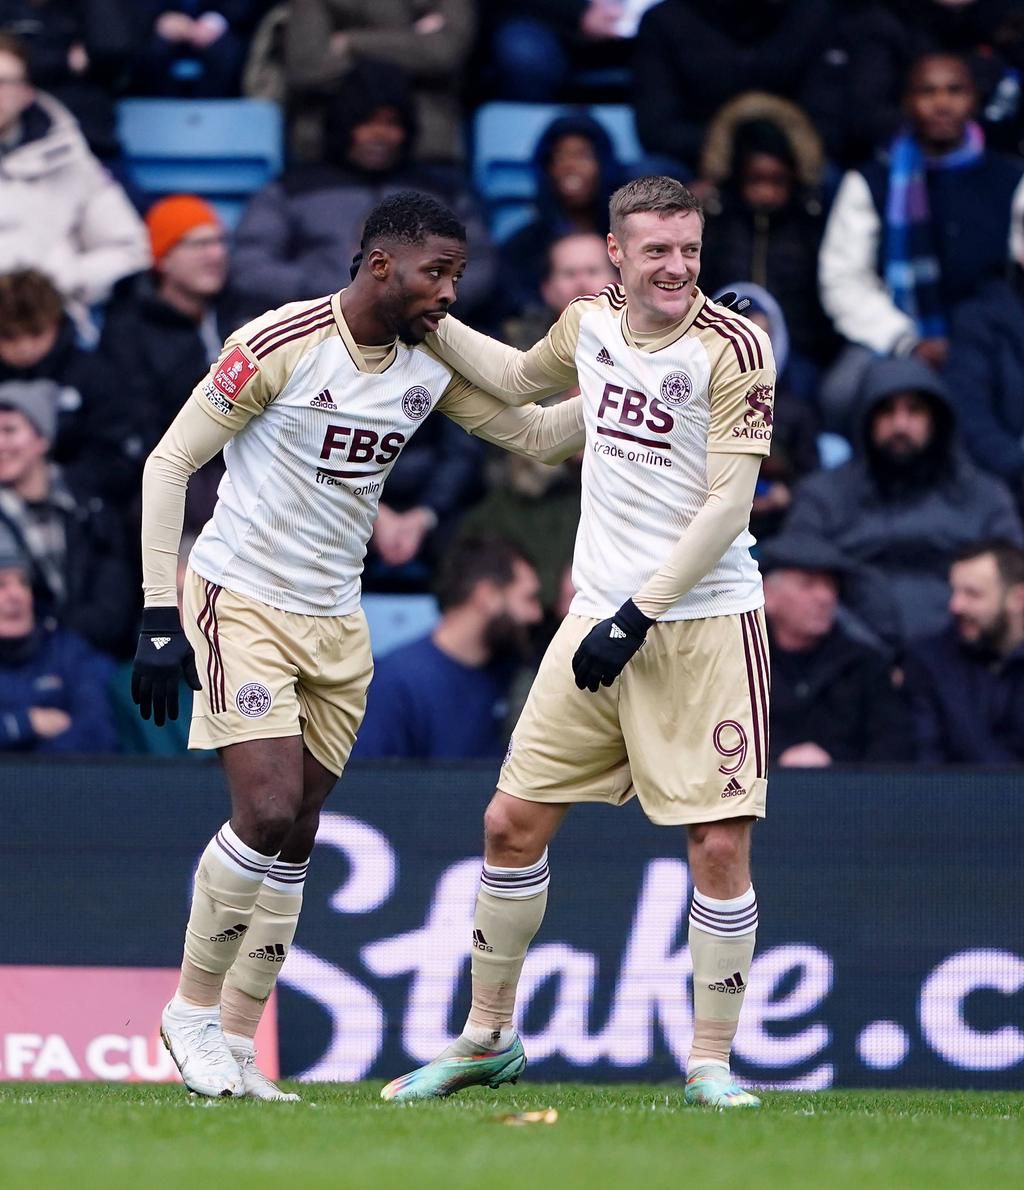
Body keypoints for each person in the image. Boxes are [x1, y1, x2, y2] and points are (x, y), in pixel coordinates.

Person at [132, 191, 584, 1101]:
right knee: (262, 810)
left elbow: (535, 436)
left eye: (457, 274)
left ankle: (234, 1043)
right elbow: (169, 464)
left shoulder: (427, 361)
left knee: (297, 832)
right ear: (381, 264)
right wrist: (156, 612)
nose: (450, 292)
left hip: (339, 619)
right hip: (242, 597)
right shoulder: (277, 342)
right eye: (436, 272)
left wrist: (648, 391)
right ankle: (188, 1008)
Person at [382, 176, 776, 1110]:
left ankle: (711, 1065)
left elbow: (728, 505)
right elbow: (527, 397)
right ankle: (487, 1038)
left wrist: (636, 613)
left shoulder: (735, 346)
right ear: (616, 253)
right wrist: (431, 333)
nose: (677, 266)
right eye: (657, 250)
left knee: (719, 844)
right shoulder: (589, 321)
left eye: (688, 248)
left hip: (702, 622)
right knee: (509, 826)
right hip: (598, 618)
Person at [818, 51, 1024, 428]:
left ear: (974, 100)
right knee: (840, 393)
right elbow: (844, 281)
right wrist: (906, 341)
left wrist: (980, 333)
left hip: (990, 334)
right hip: (900, 335)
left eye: (954, 90)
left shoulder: (1010, 180)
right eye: (928, 92)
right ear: (907, 103)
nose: (942, 103)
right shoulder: (870, 181)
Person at [228, 61, 496, 325]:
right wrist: (330, 296)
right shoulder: (292, 189)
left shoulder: (442, 191)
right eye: (366, 122)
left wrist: (425, 296)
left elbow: (481, 263)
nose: (379, 134)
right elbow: (250, 265)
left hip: (425, 333)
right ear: (343, 126)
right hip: (318, 334)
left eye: (391, 123)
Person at [784, 356, 1023, 649]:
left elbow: (1012, 581)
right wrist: (869, 659)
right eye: (886, 411)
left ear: (936, 419)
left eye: (914, 410)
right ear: (865, 419)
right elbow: (795, 580)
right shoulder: (822, 497)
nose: (900, 424)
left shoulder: (985, 496)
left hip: (967, 662)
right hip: (848, 666)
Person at [0, 33, 149, 339]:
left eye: (4, 82)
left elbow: (129, 248)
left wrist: (58, 280)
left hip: (53, 332)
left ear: (27, 91)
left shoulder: (70, 159)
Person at [100, 194, 233, 534]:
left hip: (242, 470)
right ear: (164, 259)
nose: (216, 254)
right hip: (173, 478)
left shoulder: (239, 312)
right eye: (199, 244)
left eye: (219, 241)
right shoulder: (129, 329)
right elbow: (138, 423)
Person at [354, 536, 543, 759]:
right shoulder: (396, 683)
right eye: (528, 599)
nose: (537, 614)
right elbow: (369, 786)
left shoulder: (515, 673)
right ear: (488, 596)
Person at [0, 378, 137, 658]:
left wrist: (62, 638)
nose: (0, 443)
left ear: (42, 439)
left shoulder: (91, 506)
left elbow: (113, 603)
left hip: (96, 659)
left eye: (10, 430)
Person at [759, 532, 912, 766]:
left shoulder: (865, 664)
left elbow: (893, 750)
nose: (824, 597)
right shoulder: (740, 665)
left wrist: (836, 769)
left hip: (852, 798)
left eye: (830, 585)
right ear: (768, 595)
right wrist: (777, 760)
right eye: (807, 585)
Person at [283, 0, 475, 164]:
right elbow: (308, 67)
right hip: (324, 151)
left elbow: (442, 53)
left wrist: (350, 42)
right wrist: (411, 40)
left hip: (427, 150)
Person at [0, 268, 137, 500]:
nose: (24, 346)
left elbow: (118, 457)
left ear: (55, 323)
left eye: (35, 333)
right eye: (10, 336)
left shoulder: (93, 374)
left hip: (83, 508)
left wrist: (55, 482)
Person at [903, 538, 1024, 764]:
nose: (955, 605)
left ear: (1018, 598)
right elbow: (925, 763)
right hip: (952, 798)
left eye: (973, 594)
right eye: (955, 591)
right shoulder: (929, 661)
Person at [0, 524, 118, 754]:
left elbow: (99, 733)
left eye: (24, 583)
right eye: (1, 585)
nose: (17, 595)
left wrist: (31, 770)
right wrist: (26, 723)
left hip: (56, 786)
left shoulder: (65, 650)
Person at [497, 113, 621, 320]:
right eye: (560, 156)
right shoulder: (521, 246)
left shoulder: (628, 236)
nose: (570, 165)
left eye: (583, 155)